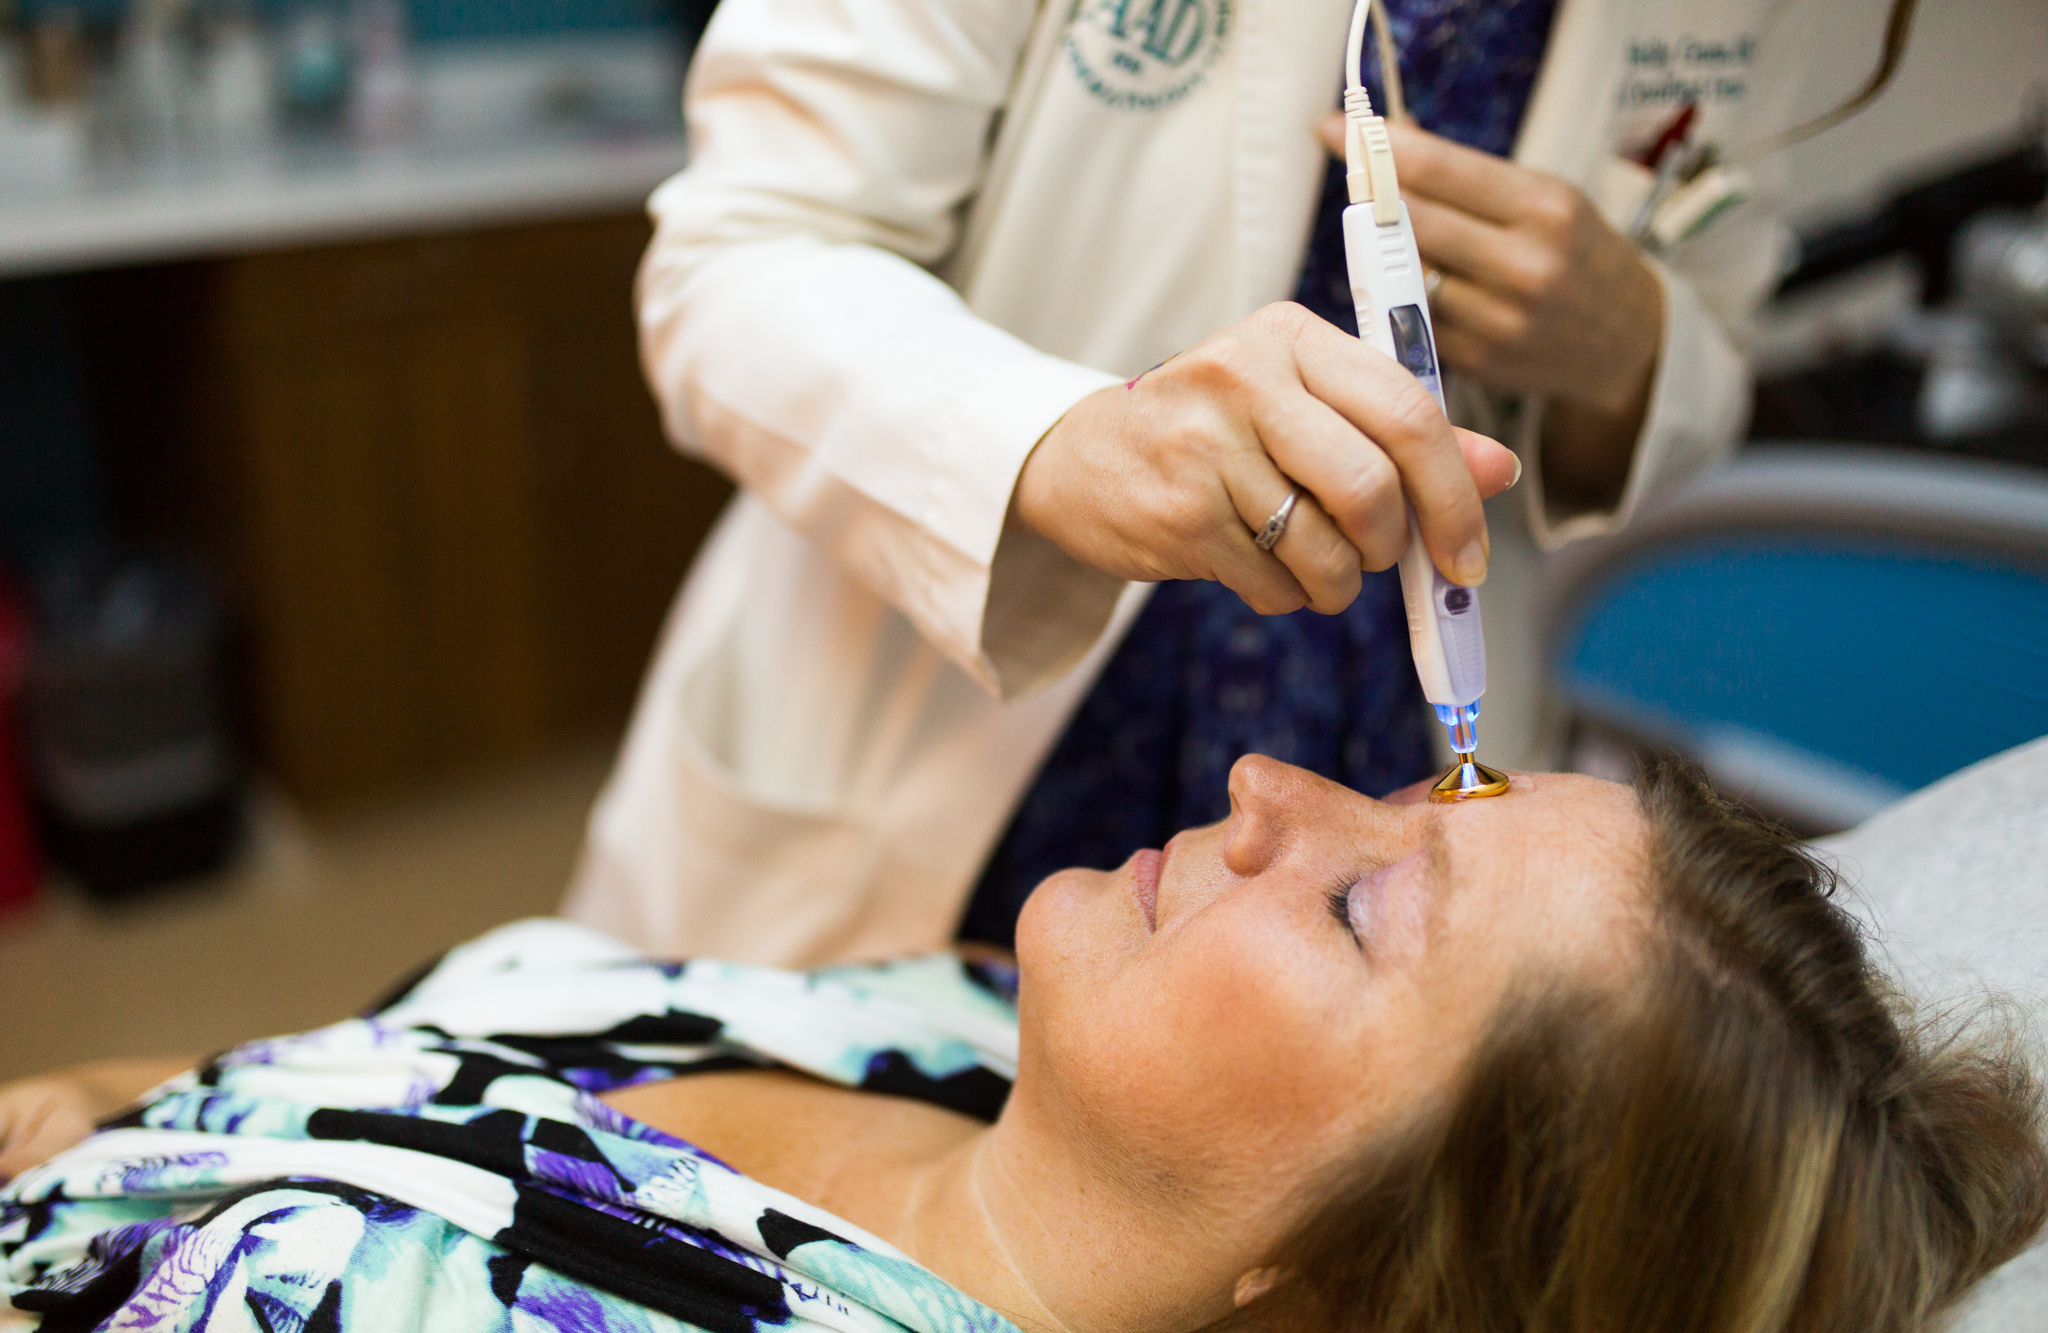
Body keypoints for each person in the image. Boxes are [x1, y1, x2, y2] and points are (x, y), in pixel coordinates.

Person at [564, 0, 1947, 965]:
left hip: (1394, 759)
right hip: (942, 728)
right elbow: (733, 262)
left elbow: (1710, 333)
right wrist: (1056, 444)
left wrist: (1634, 343)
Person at [5, 760, 2043, 1331]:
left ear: (1353, 1282)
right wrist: (120, 1113)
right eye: (1427, 790)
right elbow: (413, 1084)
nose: (1267, 783)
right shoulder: (965, 1014)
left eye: (1360, 903)